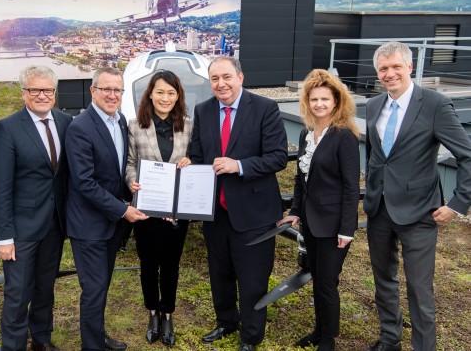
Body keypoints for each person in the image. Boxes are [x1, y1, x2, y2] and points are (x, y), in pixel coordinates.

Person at [364, 41, 471, 351]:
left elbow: (466, 156)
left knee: (419, 289)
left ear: (409, 67)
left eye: (396, 66)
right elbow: (375, 157)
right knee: (383, 281)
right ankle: (390, 339)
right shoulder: (373, 106)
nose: (390, 73)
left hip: (420, 212)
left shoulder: (435, 104)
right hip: (380, 209)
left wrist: (459, 204)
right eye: (383, 68)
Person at [188, 56, 289, 351]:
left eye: (227, 77)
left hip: (253, 212)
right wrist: (189, 164)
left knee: (253, 278)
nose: (221, 84)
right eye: (215, 79)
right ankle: (226, 322)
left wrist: (239, 165)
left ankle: (251, 335)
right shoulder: (203, 110)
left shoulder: (264, 108)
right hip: (215, 211)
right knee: (219, 273)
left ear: (240, 77)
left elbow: (278, 157)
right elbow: (198, 153)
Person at [65, 67, 149, 351]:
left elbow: (117, 170)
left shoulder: (120, 120)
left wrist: (134, 190)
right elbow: (84, 184)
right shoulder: (80, 128)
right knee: (94, 289)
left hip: (111, 222)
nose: (113, 95)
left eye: (118, 90)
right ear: (93, 91)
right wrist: (123, 210)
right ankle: (92, 345)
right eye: (106, 89)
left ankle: (97, 336)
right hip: (88, 225)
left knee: (102, 286)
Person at [0, 65, 72, 351]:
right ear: (23, 93)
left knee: (45, 288)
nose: (41, 95)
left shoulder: (65, 122)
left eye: (47, 90)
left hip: (54, 225)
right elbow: (0, 188)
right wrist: (4, 237)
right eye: (34, 90)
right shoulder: (7, 128)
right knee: (17, 294)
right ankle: (12, 346)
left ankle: (41, 339)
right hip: (21, 229)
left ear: (54, 92)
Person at [277, 69, 360, 351]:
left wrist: (348, 229)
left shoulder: (344, 136)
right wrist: (295, 210)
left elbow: (352, 187)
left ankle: (328, 339)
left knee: (327, 283)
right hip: (310, 223)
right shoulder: (306, 133)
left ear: (336, 101)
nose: (319, 104)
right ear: (307, 102)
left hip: (334, 225)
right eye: (314, 99)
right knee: (317, 277)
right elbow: (302, 179)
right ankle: (319, 330)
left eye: (325, 98)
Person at [125, 70, 192, 347]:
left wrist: (190, 161)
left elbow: (196, 162)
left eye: (171, 93)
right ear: (150, 93)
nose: (165, 98)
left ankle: (168, 313)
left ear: (178, 96)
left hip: (176, 211)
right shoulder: (134, 125)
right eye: (160, 92)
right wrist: (132, 182)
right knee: (148, 264)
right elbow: (130, 162)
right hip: (146, 210)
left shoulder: (188, 126)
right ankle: (152, 310)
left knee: (172, 264)